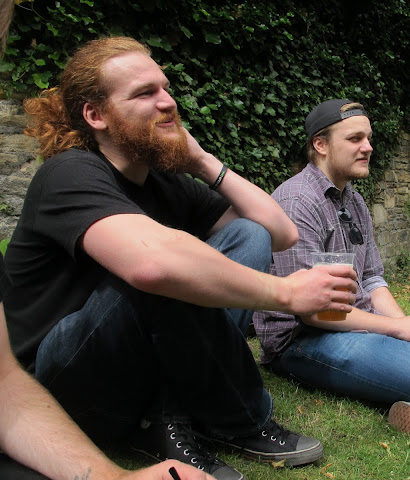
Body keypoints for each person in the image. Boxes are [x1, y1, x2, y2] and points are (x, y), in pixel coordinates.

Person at [4, 37, 357, 480]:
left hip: (137, 366)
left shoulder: (165, 182)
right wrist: (286, 293)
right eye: (144, 93)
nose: (168, 102)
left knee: (246, 235)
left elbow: (279, 234)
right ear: (96, 115)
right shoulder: (68, 173)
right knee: (163, 266)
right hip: (60, 383)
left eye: (165, 88)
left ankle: (175, 415)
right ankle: (229, 418)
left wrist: (203, 161)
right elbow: (153, 264)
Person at [253, 99, 410, 469]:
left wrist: (404, 325)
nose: (368, 147)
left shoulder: (354, 200)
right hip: (302, 340)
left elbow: (372, 277)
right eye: (355, 139)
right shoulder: (296, 201)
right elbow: (313, 311)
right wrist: (396, 329)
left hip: (353, 322)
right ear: (321, 144)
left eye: (368, 137)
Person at [0, 253, 214, 480]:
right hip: (56, 365)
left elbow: (4, 381)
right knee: (157, 270)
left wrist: (112, 477)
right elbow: (150, 267)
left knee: (230, 243)